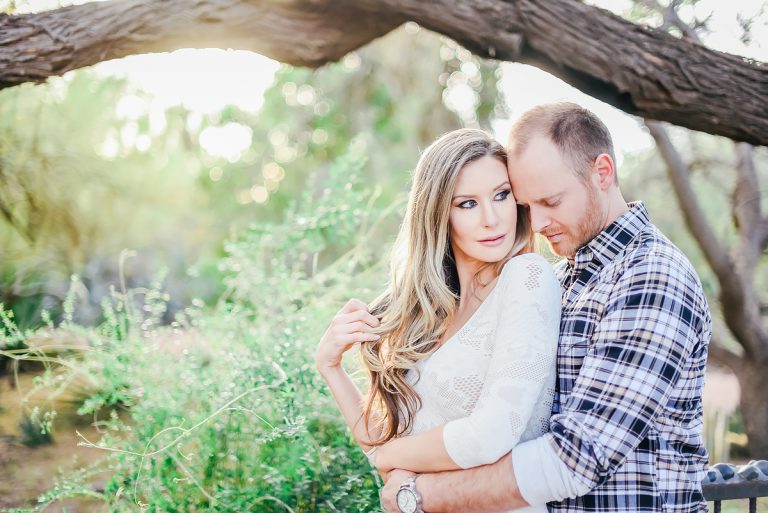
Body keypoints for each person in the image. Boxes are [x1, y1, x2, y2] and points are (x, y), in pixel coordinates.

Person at [380, 103, 712, 513]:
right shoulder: (560, 278)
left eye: (550, 201)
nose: (535, 224)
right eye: (526, 205)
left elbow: (577, 459)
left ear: (602, 173)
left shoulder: (651, 277)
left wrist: (418, 494)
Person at [314, 128, 562, 513]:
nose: (492, 219)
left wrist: (385, 457)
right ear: (437, 214)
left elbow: (491, 435)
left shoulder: (526, 277)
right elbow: (382, 441)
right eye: (467, 204)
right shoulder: (428, 313)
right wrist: (330, 367)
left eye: (501, 195)